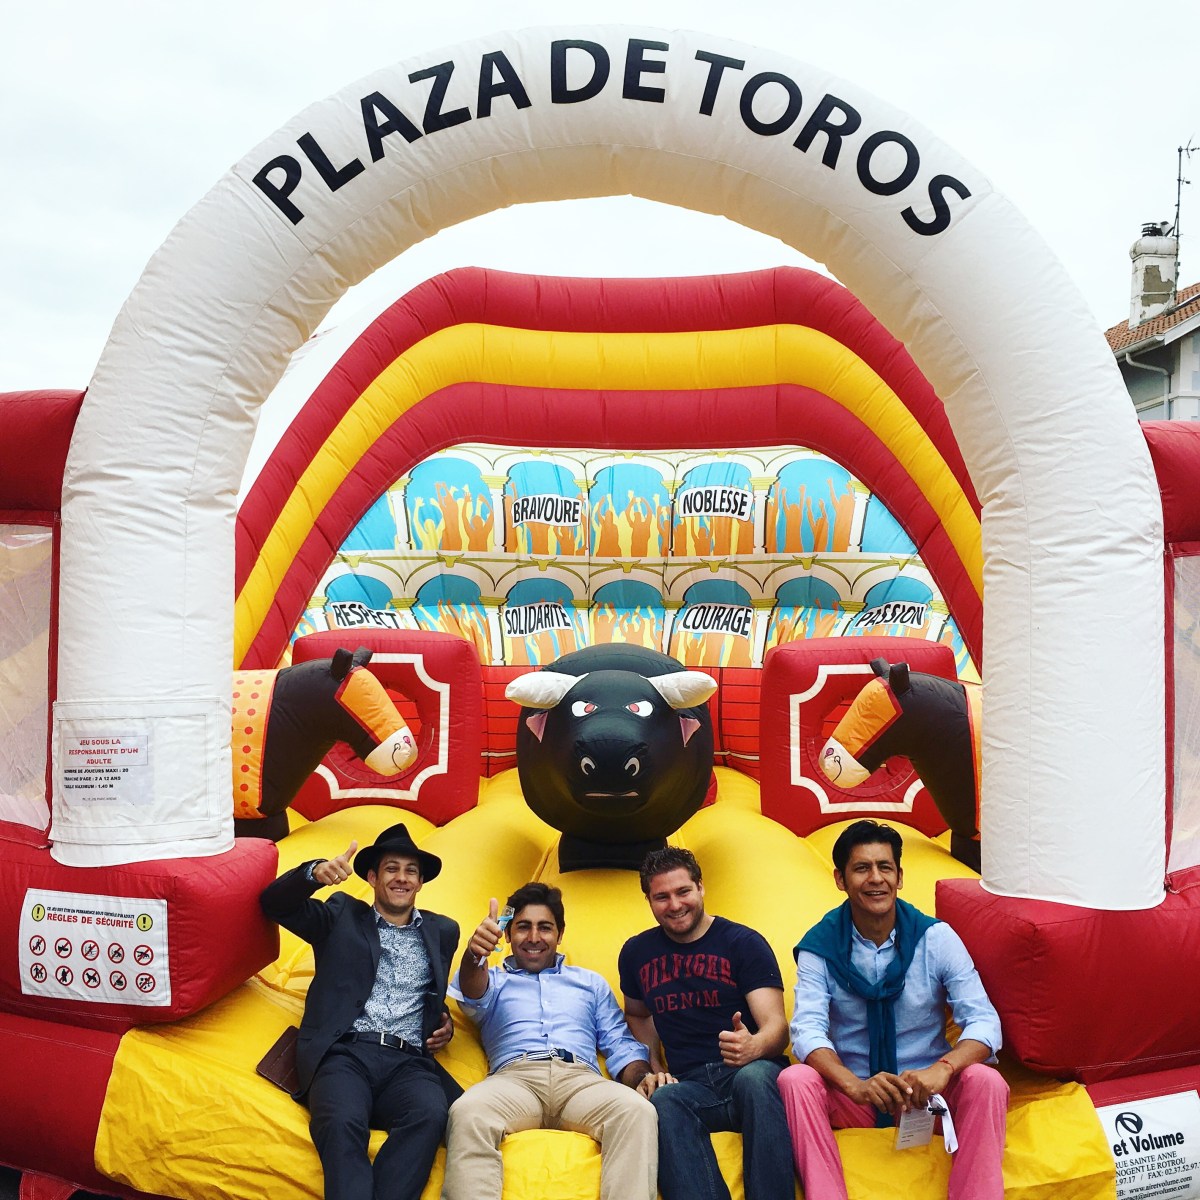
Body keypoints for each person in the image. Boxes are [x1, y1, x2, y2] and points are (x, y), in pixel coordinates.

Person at [778, 819, 1009, 1200]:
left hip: (928, 1096)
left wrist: (942, 1070)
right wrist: (855, 1086)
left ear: (900, 877)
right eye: (861, 868)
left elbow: (984, 1021)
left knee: (987, 1082)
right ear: (840, 879)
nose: (875, 879)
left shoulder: (936, 938)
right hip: (856, 1097)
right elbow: (807, 1030)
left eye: (885, 867)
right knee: (795, 1081)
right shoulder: (819, 947)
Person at [259, 823, 460, 1200]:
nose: (402, 878)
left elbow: (431, 995)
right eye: (391, 868)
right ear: (372, 877)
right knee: (341, 1121)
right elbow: (274, 904)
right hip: (346, 1053)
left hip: (408, 1062)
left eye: (411, 871)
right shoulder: (341, 915)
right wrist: (313, 874)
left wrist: (443, 1022)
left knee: (431, 1114)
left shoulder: (443, 931)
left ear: (420, 883)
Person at [443, 882, 658, 1200]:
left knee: (637, 1111)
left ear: (559, 934)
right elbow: (473, 991)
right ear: (507, 934)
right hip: (515, 1080)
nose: (533, 938)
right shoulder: (495, 979)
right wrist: (475, 953)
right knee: (467, 1112)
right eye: (522, 927)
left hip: (580, 1081)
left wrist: (641, 1076)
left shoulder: (589, 983)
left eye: (544, 927)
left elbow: (619, 1042)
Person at [618, 847, 796, 1200]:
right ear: (649, 901)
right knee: (664, 1101)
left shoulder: (743, 942)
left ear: (700, 887)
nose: (674, 904)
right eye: (661, 897)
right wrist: (653, 1066)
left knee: (757, 1078)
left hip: (748, 1072)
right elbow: (638, 1013)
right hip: (691, 1083)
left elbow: (777, 1027)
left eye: (683, 891)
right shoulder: (637, 953)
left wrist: (754, 1046)